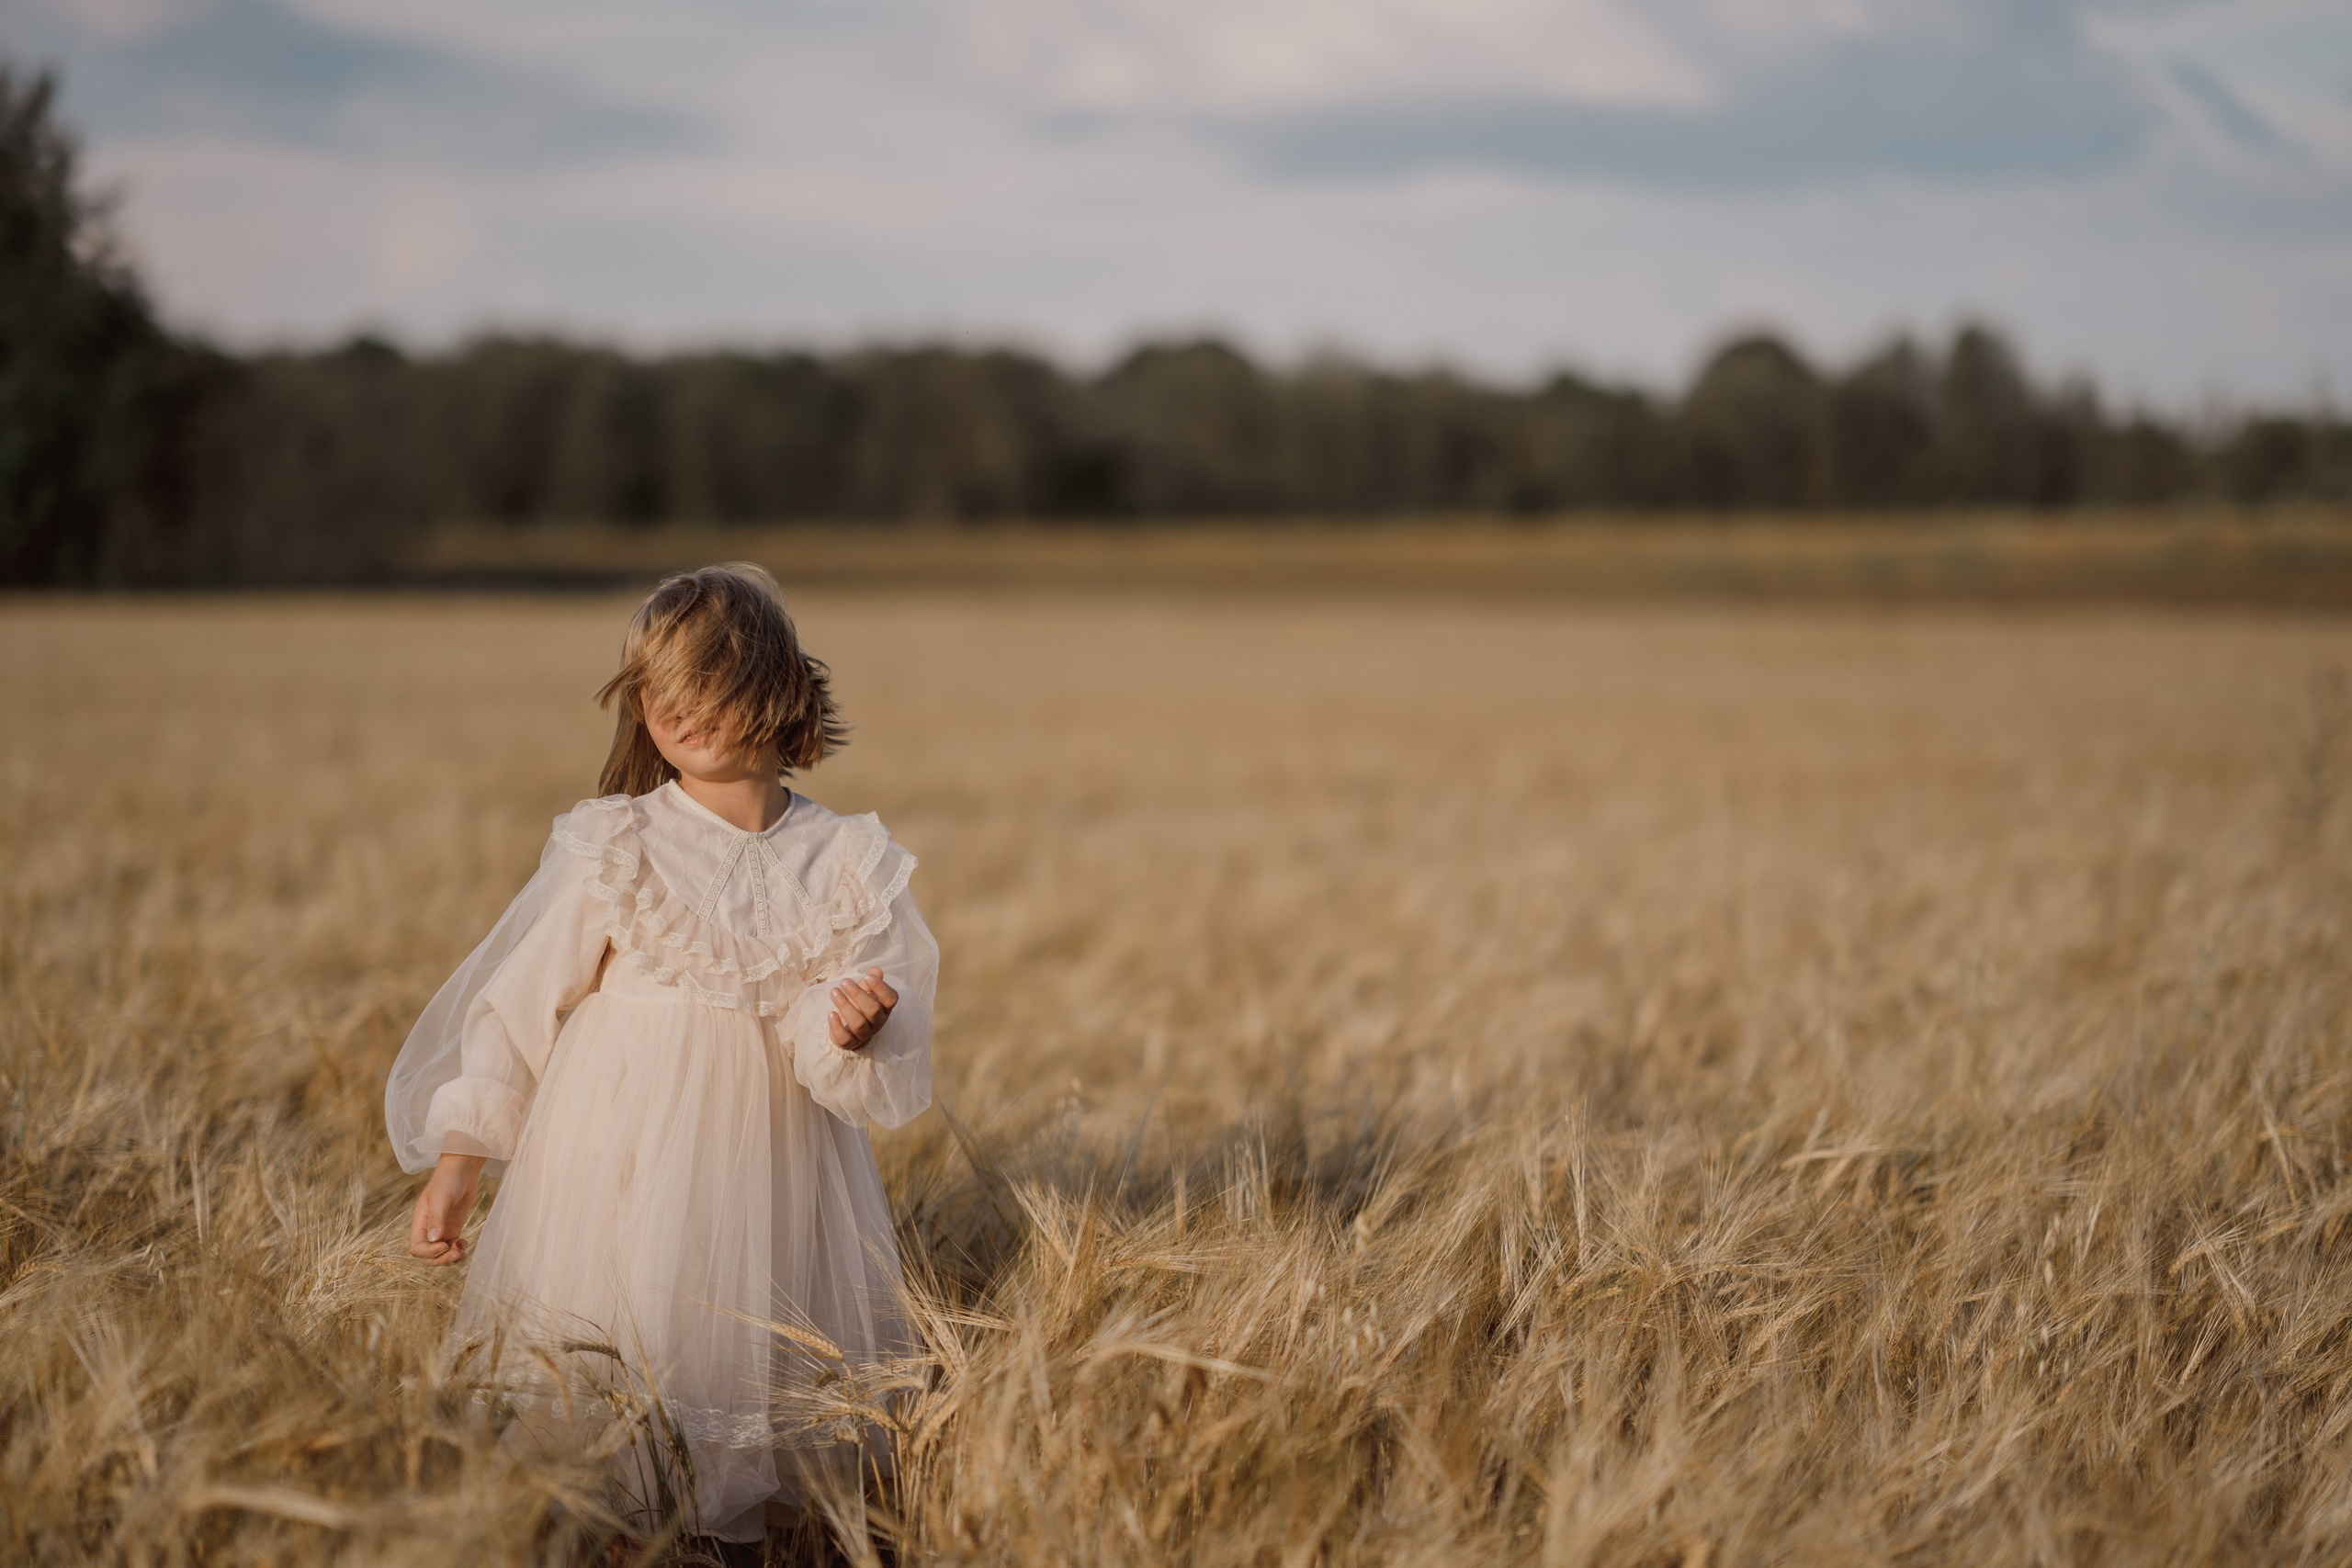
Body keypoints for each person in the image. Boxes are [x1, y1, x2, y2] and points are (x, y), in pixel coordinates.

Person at [383, 563, 935, 1545]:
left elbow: (838, 1041)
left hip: (777, 1170)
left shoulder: (849, 860)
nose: (672, 710)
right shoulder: (617, 844)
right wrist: (461, 1161)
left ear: (777, 690)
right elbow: (517, 1007)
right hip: (616, 1165)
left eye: (702, 687)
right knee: (617, 1371)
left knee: (754, 1381)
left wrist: (853, 1027)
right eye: (654, 692)